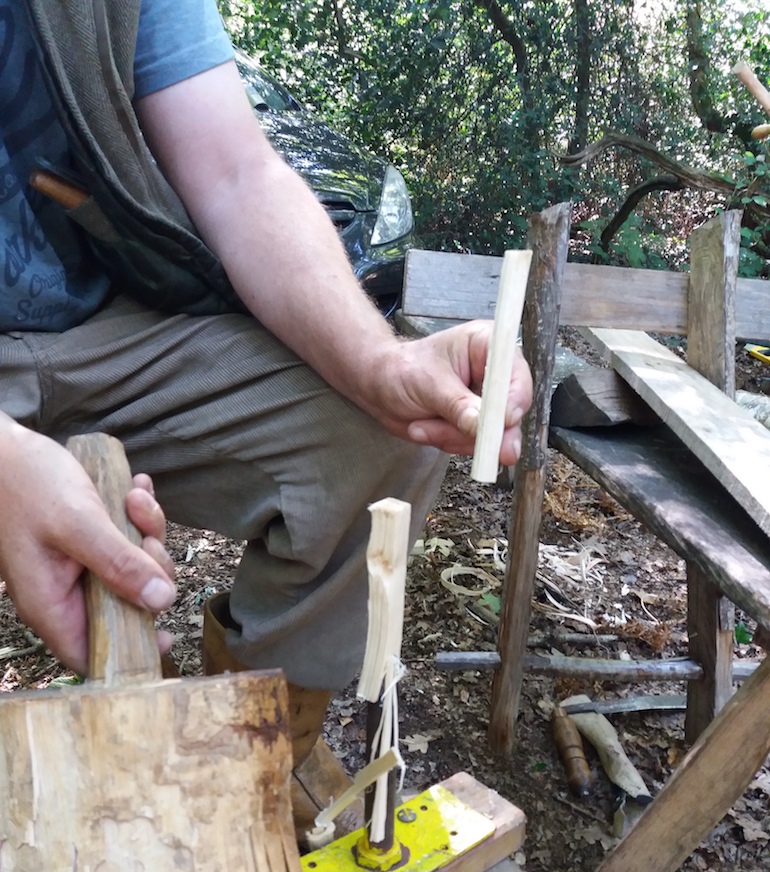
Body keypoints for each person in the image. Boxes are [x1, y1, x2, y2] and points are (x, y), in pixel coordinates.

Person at [0, 0, 531, 769]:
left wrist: (381, 366)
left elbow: (236, 174)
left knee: (379, 438)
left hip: (101, 318)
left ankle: (245, 764)